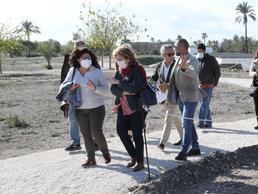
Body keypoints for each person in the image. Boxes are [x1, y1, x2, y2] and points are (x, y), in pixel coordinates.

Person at [68, 47, 110, 167]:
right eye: (84, 58)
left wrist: (95, 88)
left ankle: (105, 152)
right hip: (79, 109)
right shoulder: (73, 71)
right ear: (78, 59)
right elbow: (64, 86)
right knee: (86, 134)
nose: (87, 60)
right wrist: (70, 88)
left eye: (89, 57)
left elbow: (106, 91)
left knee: (96, 133)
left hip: (96, 108)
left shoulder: (97, 72)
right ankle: (91, 159)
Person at [110, 44, 149, 172]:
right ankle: (133, 156)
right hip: (122, 107)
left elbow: (135, 88)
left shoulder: (137, 70)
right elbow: (113, 89)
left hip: (136, 107)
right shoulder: (119, 72)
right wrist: (125, 91)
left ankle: (140, 161)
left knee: (137, 135)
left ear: (127, 58)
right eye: (116, 59)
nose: (118, 61)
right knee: (121, 131)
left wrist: (121, 84)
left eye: (119, 58)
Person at [60, 40, 99, 151]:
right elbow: (65, 82)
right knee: (73, 120)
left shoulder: (93, 64)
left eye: (83, 47)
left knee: (90, 121)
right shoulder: (71, 66)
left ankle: (95, 142)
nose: (81, 50)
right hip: (74, 98)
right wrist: (66, 94)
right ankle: (75, 143)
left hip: (89, 98)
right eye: (78, 47)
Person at [169, 39, 202, 161]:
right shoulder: (178, 58)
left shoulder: (192, 59)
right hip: (181, 97)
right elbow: (174, 77)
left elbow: (194, 74)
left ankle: (184, 150)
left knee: (185, 122)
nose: (174, 48)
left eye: (176, 46)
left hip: (191, 97)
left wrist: (184, 68)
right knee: (188, 122)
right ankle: (196, 147)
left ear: (184, 47)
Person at [150, 44, 183, 150]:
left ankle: (162, 143)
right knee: (176, 119)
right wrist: (157, 87)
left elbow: (180, 81)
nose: (172, 56)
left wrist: (167, 85)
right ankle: (185, 138)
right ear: (163, 55)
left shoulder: (178, 65)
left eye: (173, 54)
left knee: (168, 119)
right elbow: (152, 81)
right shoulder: (159, 66)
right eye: (169, 54)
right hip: (163, 98)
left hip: (175, 97)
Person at [196, 43, 221, 128]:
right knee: (205, 104)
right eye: (198, 51)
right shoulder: (198, 60)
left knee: (204, 104)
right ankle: (209, 122)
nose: (199, 52)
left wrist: (215, 83)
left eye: (201, 51)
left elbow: (217, 72)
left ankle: (201, 122)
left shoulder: (211, 59)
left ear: (204, 51)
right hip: (199, 86)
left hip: (209, 85)